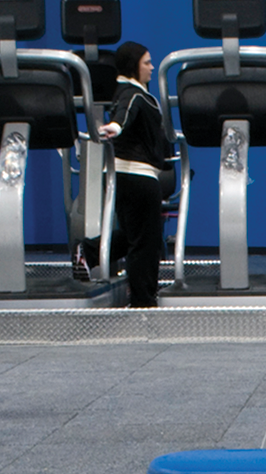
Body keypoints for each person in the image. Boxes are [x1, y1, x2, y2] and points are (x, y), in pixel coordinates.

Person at [94, 40, 172, 308]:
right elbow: (125, 113)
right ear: (133, 66)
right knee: (146, 244)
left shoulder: (126, 91)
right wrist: (116, 126)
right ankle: (143, 301)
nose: (152, 67)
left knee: (134, 237)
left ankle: (88, 251)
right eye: (146, 63)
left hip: (123, 176)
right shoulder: (133, 93)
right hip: (137, 177)